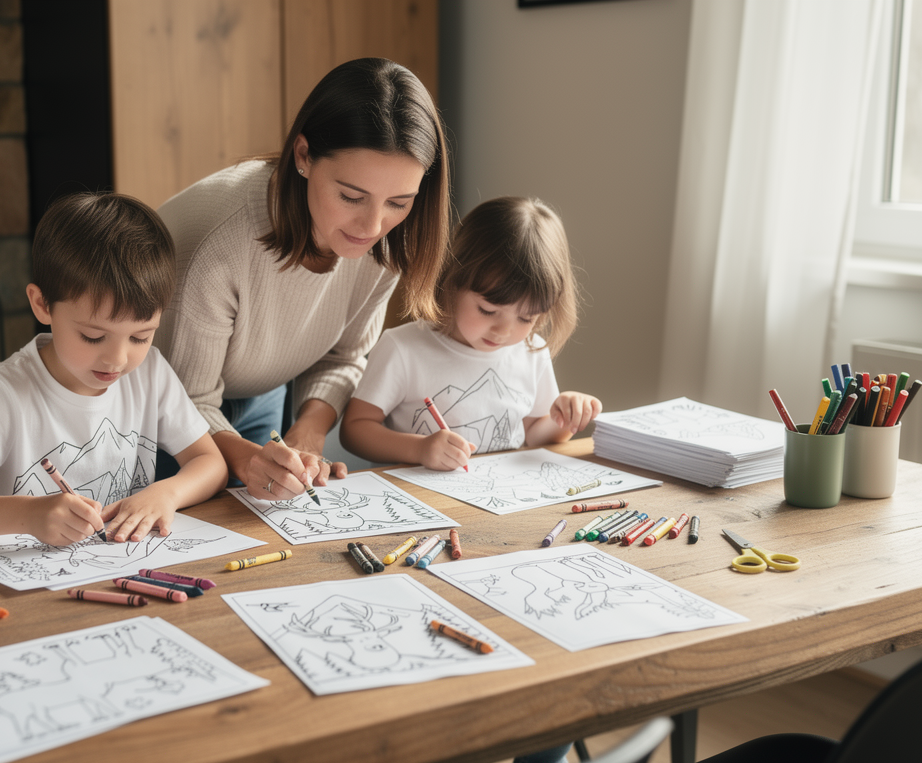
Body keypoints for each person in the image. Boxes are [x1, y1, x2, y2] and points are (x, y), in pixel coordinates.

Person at [154, 57, 451, 502]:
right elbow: (186, 398)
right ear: (303, 156)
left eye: (399, 201)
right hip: (151, 401)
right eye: (351, 196)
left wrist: (308, 434)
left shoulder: (388, 242)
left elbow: (345, 356)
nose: (373, 226)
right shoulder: (221, 247)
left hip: (260, 384)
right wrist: (247, 460)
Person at [0, 193, 227, 546]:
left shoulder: (150, 373)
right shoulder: (3, 394)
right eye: (93, 336)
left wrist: (168, 494)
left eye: (140, 336)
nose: (117, 359)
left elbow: (210, 462)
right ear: (42, 304)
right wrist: (27, 515)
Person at [340, 196, 603, 472]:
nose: (504, 331)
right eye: (488, 310)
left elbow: (533, 433)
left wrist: (565, 418)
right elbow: (355, 430)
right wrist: (419, 449)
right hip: (417, 500)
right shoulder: (403, 349)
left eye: (527, 318)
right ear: (452, 280)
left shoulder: (532, 351)